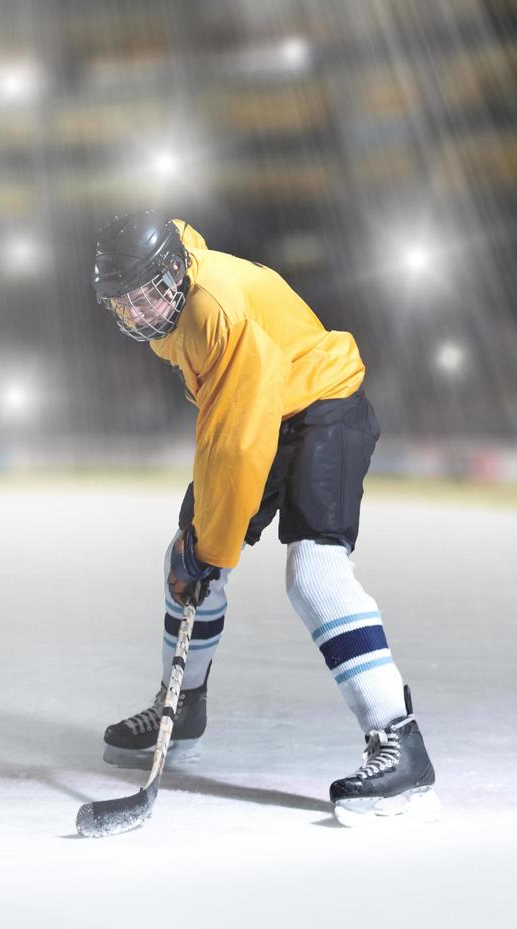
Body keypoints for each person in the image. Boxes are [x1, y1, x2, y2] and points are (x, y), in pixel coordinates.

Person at [91, 211, 438, 826]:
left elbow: (241, 442)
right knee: (185, 558)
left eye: (149, 296)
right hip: (275, 412)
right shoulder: (178, 303)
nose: (141, 313)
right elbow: (227, 427)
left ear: (176, 273)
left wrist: (214, 544)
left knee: (314, 574)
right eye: (127, 304)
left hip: (323, 407)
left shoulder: (214, 310)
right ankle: (183, 704)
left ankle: (400, 743)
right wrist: (199, 542)